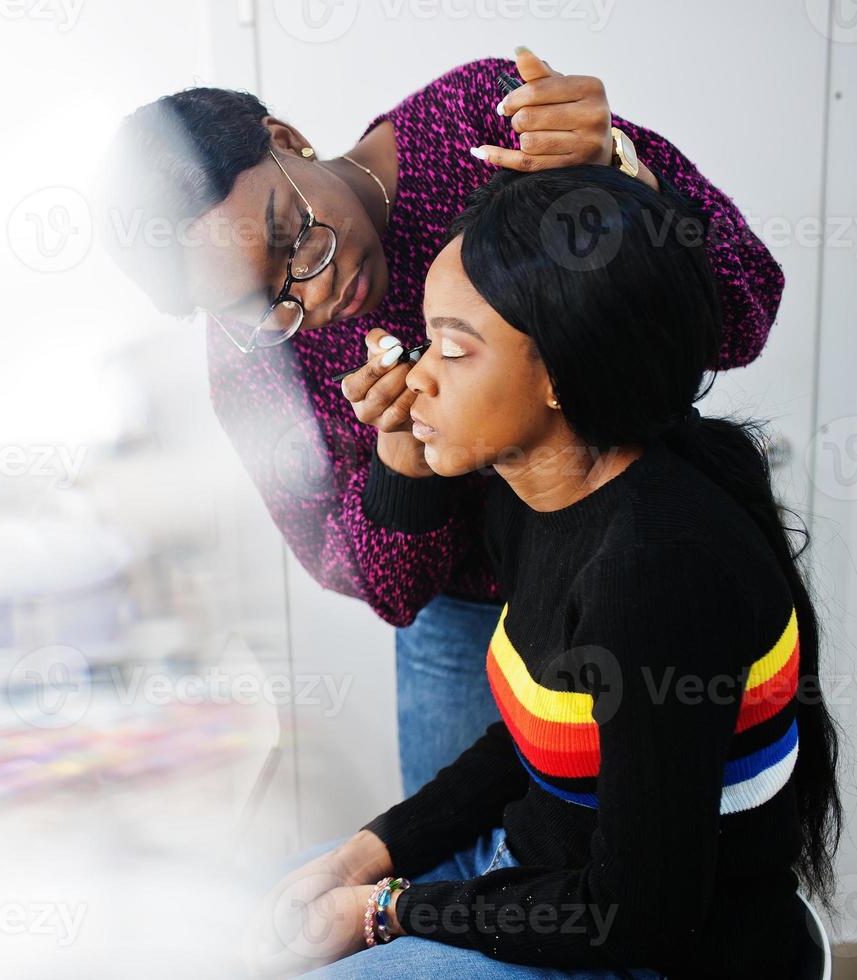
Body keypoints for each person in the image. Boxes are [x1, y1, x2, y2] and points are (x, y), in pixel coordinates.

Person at [100, 49, 785, 794]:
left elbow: (741, 312)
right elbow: (385, 590)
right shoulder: (250, 366)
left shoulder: (480, 131)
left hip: (636, 563)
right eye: (264, 303)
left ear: (288, 140)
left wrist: (624, 176)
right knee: (451, 855)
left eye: (291, 236)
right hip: (470, 617)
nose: (317, 291)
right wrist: (400, 461)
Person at [248, 166, 840, 979]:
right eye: (425, 340)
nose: (415, 376)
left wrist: (388, 911)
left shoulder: (653, 573)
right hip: (532, 872)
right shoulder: (532, 495)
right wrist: (365, 855)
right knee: (248, 912)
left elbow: (634, 917)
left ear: (563, 371)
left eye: (453, 351)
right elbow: (535, 738)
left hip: (650, 948)